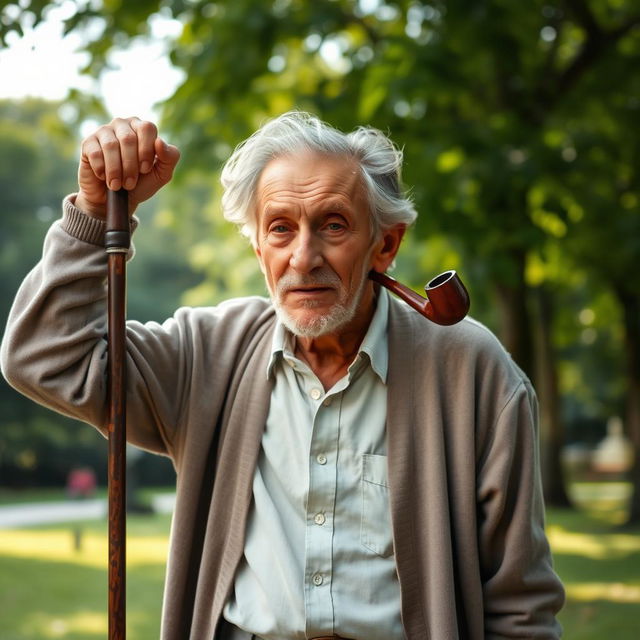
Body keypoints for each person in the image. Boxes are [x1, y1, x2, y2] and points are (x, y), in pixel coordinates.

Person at [1, 112, 564, 639]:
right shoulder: (208, 354)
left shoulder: (470, 369)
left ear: (384, 245)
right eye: (279, 229)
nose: (303, 257)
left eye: (334, 225)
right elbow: (43, 356)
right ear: (258, 249)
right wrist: (95, 216)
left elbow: (521, 606)